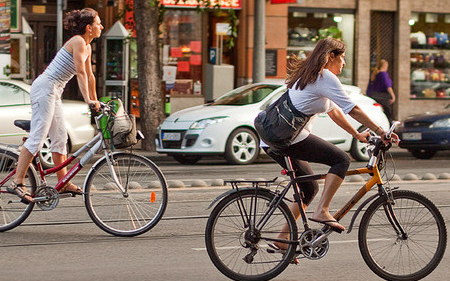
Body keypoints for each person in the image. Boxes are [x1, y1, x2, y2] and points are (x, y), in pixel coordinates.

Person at [265, 38, 398, 251]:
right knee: (341, 159)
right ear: (331, 56)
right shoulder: (324, 76)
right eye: (342, 57)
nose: (344, 63)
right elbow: (352, 109)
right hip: (287, 138)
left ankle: (282, 239)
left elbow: (334, 111)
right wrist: (382, 131)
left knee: (308, 189)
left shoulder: (310, 74)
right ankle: (322, 211)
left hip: (273, 137)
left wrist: (356, 133)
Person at [7, 8, 103, 203]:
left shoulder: (87, 45)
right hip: (45, 87)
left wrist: (96, 100)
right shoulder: (77, 42)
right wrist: (87, 100)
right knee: (39, 135)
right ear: (89, 27)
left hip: (55, 90)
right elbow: (80, 73)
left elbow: (90, 76)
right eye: (98, 23)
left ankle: (63, 181)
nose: (101, 26)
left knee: (59, 137)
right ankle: (17, 182)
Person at [366, 59, 396, 124]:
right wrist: (393, 96)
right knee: (387, 113)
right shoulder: (383, 74)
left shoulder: (374, 74)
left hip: (374, 96)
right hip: (383, 97)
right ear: (385, 66)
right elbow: (388, 86)